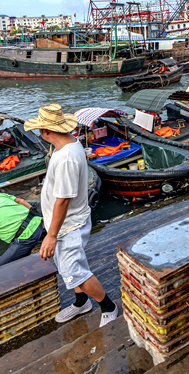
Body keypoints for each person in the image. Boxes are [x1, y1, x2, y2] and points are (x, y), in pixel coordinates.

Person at [24, 104, 117, 328]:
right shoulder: (67, 144)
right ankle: (81, 302)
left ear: (46, 132)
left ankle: (108, 306)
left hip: (68, 225)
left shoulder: (66, 157)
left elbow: (64, 199)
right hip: (64, 222)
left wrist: (51, 235)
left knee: (75, 270)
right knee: (69, 268)